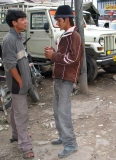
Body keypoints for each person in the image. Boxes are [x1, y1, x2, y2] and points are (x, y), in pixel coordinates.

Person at [44, 5, 83, 159]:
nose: (57, 23)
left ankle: (71, 144)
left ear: (67, 19)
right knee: (57, 111)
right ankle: (63, 137)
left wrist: (53, 56)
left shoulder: (75, 37)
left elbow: (73, 59)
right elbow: (63, 55)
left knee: (63, 113)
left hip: (66, 79)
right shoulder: (65, 35)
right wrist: (52, 53)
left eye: (59, 20)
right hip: (59, 77)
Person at [2, 9, 34, 159]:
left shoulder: (18, 38)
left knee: (16, 110)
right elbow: (10, 64)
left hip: (22, 83)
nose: (25, 21)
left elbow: (20, 60)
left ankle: (16, 135)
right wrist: (21, 81)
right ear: (14, 22)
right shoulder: (9, 40)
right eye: (22, 19)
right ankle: (26, 147)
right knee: (22, 114)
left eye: (25, 19)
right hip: (17, 85)